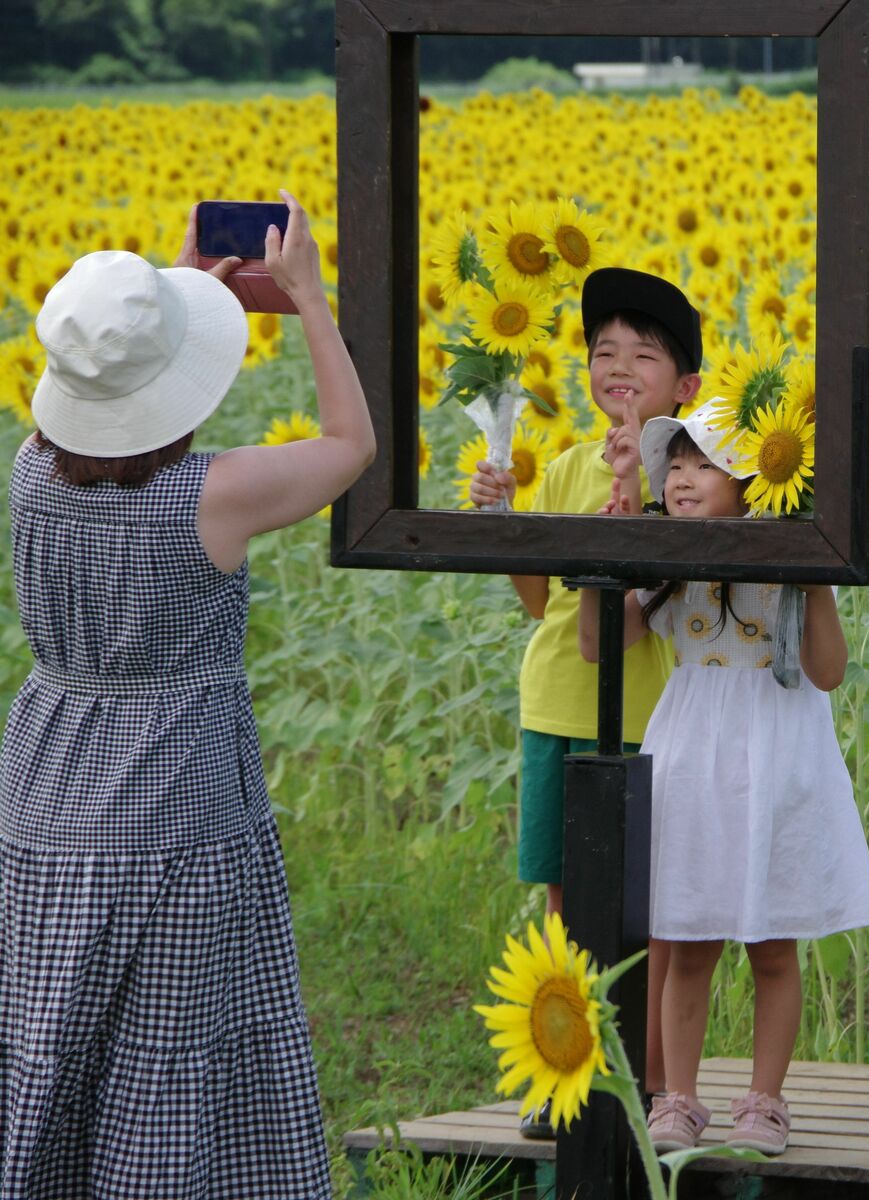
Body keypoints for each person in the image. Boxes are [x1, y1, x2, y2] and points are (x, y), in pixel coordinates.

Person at [0, 191, 374, 1197]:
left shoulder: (29, 473)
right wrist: (309, 302)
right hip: (176, 804)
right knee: (166, 1073)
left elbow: (101, 412)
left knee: (50, 1046)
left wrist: (159, 314)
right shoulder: (211, 496)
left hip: (42, 803)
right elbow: (351, 445)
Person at [579, 399, 869, 1157]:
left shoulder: (790, 563)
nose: (682, 479)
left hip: (776, 755)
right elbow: (596, 645)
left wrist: (815, 573)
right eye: (673, 466)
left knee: (773, 944)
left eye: (704, 464)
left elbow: (828, 671)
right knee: (687, 940)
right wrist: (609, 541)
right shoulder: (665, 566)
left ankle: (765, 1100)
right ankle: (678, 1097)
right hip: (692, 753)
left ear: (754, 482)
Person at [469, 267, 702, 1131]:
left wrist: (636, 491)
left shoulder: (689, 482)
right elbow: (541, 604)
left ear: (685, 387)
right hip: (556, 708)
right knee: (567, 905)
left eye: (643, 355)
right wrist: (503, 523)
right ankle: (570, 1079)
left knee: (648, 909)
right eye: (604, 352)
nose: (619, 366)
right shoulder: (566, 467)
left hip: (653, 719)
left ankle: (641, 1086)